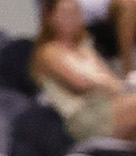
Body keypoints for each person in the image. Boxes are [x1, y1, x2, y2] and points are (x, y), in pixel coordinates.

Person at [35, 0, 136, 142]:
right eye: (65, 14)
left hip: (108, 106)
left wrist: (122, 86)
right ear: (51, 18)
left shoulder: (83, 49)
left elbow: (109, 79)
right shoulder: (50, 52)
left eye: (75, 13)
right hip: (86, 118)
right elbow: (83, 84)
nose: (72, 18)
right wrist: (120, 86)